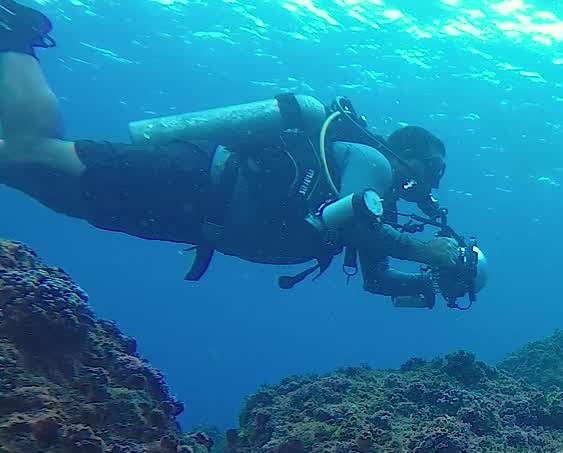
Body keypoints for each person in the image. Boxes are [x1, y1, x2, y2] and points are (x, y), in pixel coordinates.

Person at [0, 0, 487, 309]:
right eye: (433, 168)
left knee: (47, 185)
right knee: (32, 159)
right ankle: (19, 33)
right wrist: (427, 250)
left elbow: (375, 279)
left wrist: (424, 284)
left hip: (191, 219)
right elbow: (361, 227)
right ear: (405, 153)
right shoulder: (372, 163)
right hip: (192, 179)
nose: (435, 184)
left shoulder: (372, 203)